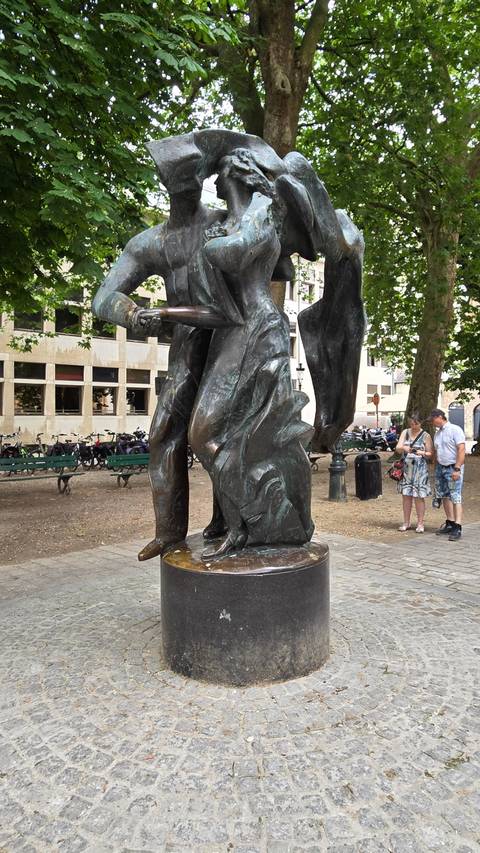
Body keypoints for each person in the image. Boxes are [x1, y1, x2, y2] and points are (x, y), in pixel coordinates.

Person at [430, 408, 466, 541]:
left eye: (433, 419)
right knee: (444, 495)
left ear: (440, 417)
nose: (432, 422)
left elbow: (461, 449)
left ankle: (458, 525)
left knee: (455, 496)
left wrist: (457, 468)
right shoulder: (437, 433)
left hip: (453, 467)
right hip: (441, 467)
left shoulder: (455, 429)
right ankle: (450, 522)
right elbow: (437, 451)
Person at [395, 413, 433, 532]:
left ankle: (420, 523)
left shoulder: (426, 435)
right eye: (411, 423)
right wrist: (404, 448)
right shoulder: (405, 432)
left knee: (418, 497)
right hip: (406, 468)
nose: (414, 426)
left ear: (421, 423)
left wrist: (422, 453)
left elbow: (430, 453)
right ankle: (406, 522)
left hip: (420, 469)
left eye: (416, 423)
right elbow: (398, 447)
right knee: (406, 496)